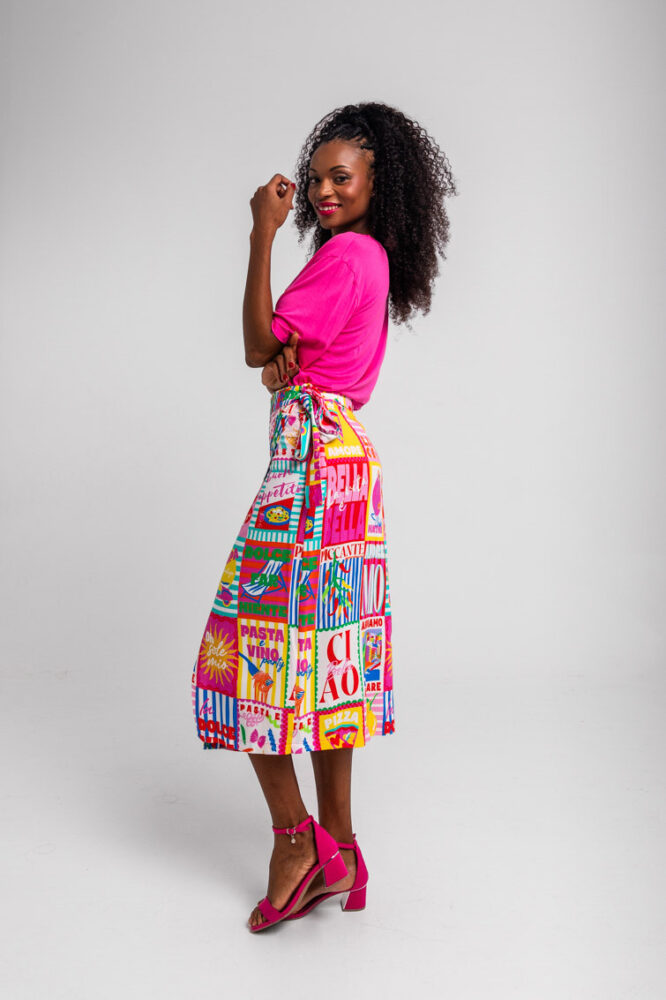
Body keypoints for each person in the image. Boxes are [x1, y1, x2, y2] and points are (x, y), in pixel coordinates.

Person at [191, 101, 457, 931]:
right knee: (327, 659)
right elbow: (282, 354)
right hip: (345, 464)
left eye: (340, 178)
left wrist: (262, 233)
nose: (321, 192)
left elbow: (256, 346)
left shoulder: (343, 256)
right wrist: (286, 360)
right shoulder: (373, 260)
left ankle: (294, 843)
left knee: (246, 657)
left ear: (380, 182)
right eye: (314, 181)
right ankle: (339, 844)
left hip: (311, 461)